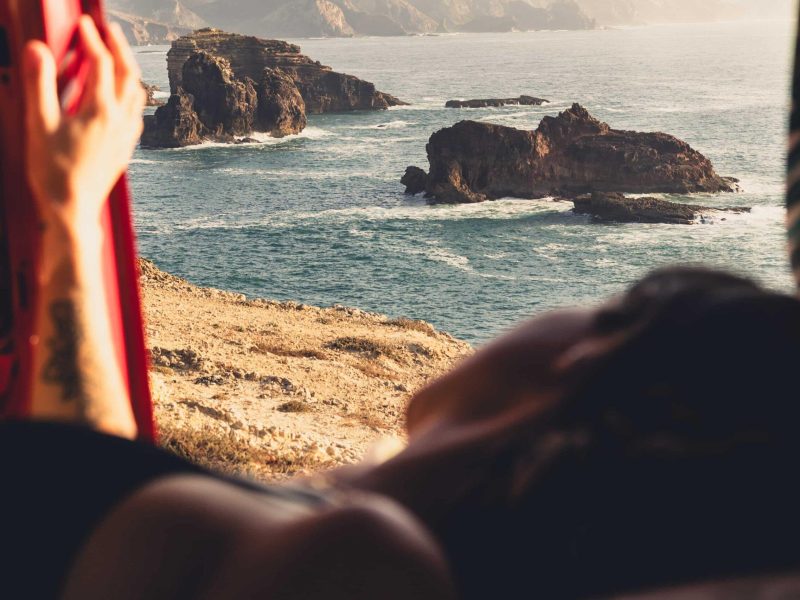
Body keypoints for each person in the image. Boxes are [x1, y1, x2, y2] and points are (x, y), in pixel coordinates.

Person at [2, 15, 800, 600]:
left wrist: (72, 210)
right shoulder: (390, 522)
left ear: (591, 352)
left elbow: (68, 514)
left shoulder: (363, 557)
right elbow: (127, 514)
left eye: (614, 305)